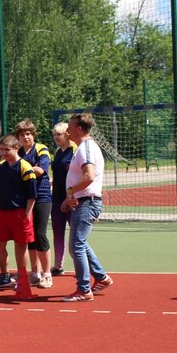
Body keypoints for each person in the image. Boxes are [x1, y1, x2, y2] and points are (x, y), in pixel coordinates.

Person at [62, 113, 113, 302]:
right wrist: (70, 197)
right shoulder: (83, 147)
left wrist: (70, 191)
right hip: (83, 200)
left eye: (70, 126)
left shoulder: (86, 148)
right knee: (80, 244)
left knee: (76, 246)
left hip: (87, 202)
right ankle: (101, 277)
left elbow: (88, 176)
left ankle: (83, 290)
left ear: (79, 129)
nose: (67, 130)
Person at [0, 135, 36, 291]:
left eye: (6, 150)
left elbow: (31, 196)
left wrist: (27, 215)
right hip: (2, 212)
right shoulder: (1, 166)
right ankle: (4, 276)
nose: (3, 153)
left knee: (20, 247)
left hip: (19, 213)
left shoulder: (25, 167)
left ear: (16, 148)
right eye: (1, 149)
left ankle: (22, 278)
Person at [16, 120, 54, 288]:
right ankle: (35, 273)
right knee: (29, 236)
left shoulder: (41, 149)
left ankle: (47, 274)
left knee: (40, 234)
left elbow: (41, 170)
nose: (26, 137)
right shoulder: (18, 152)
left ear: (33, 134)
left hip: (42, 197)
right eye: (23, 134)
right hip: (24, 198)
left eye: (29, 133)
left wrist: (21, 172)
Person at [50, 122, 77, 277]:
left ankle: (80, 265)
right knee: (58, 233)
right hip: (57, 199)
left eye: (59, 134)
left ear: (67, 134)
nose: (56, 137)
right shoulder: (58, 152)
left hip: (73, 199)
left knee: (76, 235)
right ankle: (58, 266)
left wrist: (72, 195)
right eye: (54, 135)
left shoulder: (76, 150)